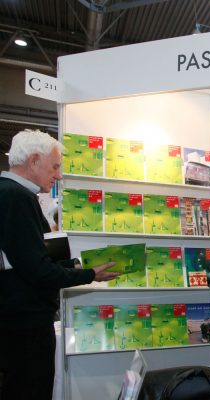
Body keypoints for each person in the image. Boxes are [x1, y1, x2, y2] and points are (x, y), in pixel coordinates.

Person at [0, 129, 119, 400]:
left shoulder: (10, 193)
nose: (58, 175)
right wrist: (89, 273)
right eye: (54, 166)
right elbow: (37, 271)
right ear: (33, 161)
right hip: (25, 326)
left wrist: (76, 265)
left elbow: (26, 260)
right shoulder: (16, 197)